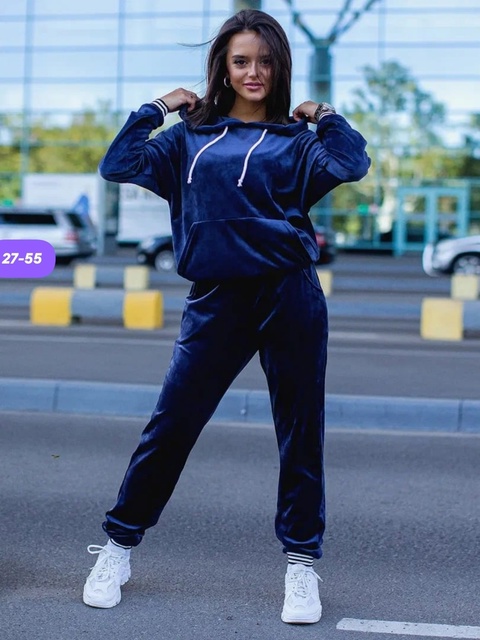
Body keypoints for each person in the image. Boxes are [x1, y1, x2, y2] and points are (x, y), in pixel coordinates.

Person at [82, 9, 370, 624]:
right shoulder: (186, 139)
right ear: (223, 67)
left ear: (279, 67)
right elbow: (118, 164)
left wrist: (325, 115)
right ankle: (118, 547)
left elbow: (351, 164)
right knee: (172, 425)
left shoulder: (298, 143)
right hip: (216, 299)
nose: (253, 72)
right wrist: (158, 108)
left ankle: (301, 565)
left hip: (290, 296)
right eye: (241, 61)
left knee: (300, 433)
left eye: (264, 61)